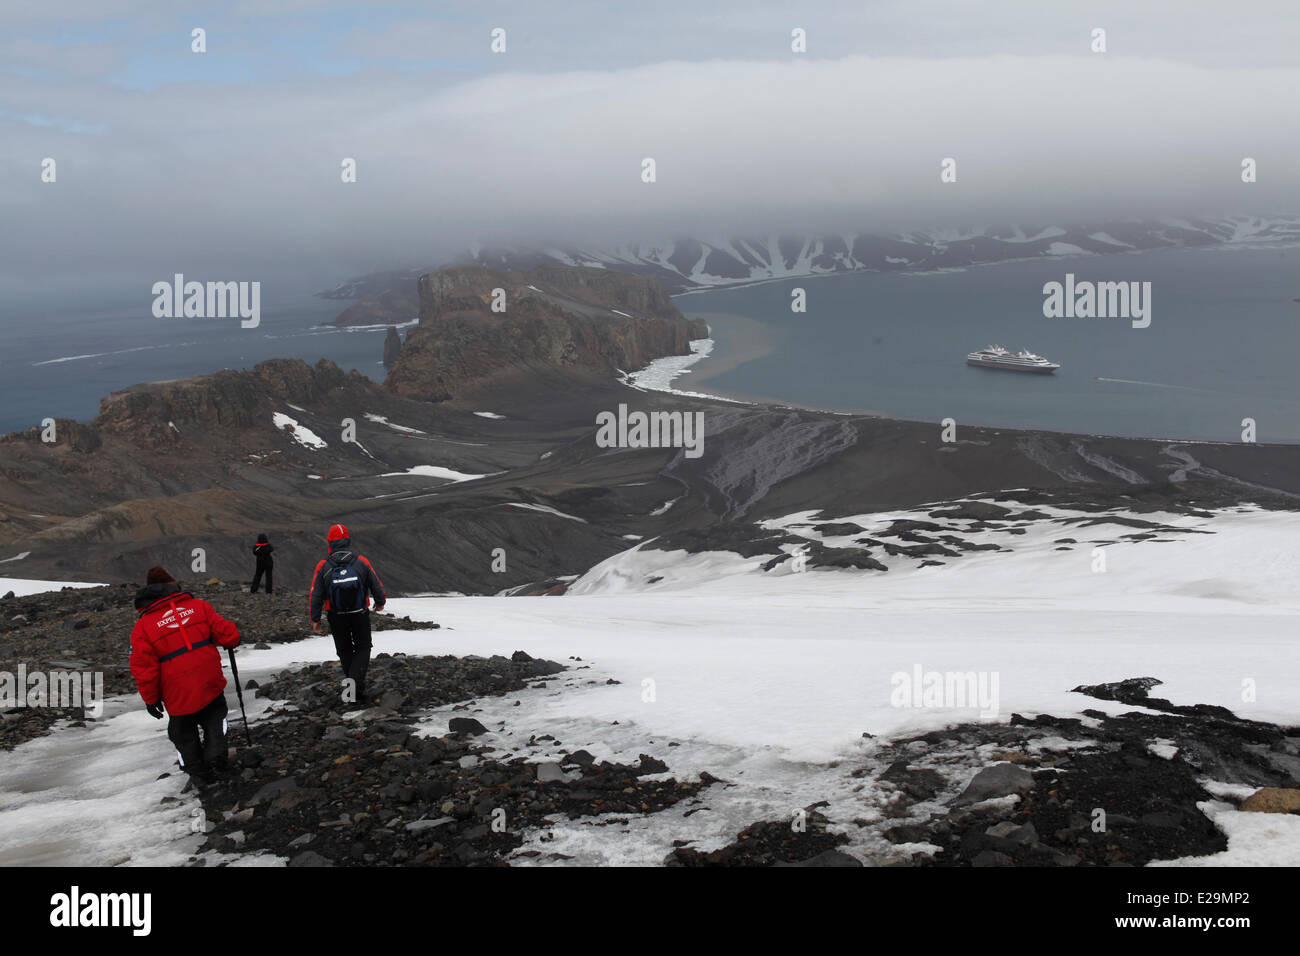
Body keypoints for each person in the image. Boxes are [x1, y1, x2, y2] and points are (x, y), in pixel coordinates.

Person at [129, 566, 241, 784]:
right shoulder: (199, 607)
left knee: (182, 732)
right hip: (208, 680)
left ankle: (197, 772)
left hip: (176, 691)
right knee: (215, 719)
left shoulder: (143, 627)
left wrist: (151, 700)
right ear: (173, 587)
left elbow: (144, 668)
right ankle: (216, 757)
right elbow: (228, 635)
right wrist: (233, 639)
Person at [309, 524, 386, 703]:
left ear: (330, 542)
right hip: (359, 612)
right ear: (347, 540)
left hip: (336, 615)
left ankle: (351, 693)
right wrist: (380, 602)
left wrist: (315, 618)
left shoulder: (323, 565)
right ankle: (353, 690)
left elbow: (316, 593)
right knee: (363, 648)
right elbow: (376, 583)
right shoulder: (361, 562)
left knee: (344, 651)